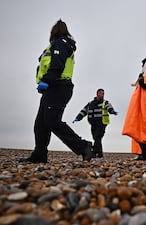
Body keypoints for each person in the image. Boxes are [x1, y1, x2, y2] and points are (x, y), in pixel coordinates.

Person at [21, 20, 93, 163]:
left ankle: (83, 146)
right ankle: (39, 154)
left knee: (52, 121)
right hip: (53, 87)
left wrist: (46, 80)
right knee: (41, 123)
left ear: (54, 31)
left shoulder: (61, 43)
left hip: (59, 86)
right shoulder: (58, 45)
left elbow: (57, 64)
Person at [73, 89, 117, 158]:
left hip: (102, 123)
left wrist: (112, 111)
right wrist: (78, 118)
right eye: (101, 93)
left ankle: (94, 153)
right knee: (96, 138)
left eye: (103, 93)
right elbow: (84, 111)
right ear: (97, 94)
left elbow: (109, 107)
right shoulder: (91, 103)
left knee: (97, 137)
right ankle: (100, 154)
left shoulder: (105, 102)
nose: (102, 95)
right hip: (93, 123)